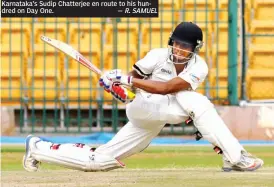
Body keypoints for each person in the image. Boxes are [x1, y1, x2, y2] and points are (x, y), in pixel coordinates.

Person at [23, 22, 263, 173]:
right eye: (177, 45)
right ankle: (235, 157)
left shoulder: (199, 66)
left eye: (186, 47)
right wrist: (116, 86)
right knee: (197, 103)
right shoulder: (157, 55)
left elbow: (168, 87)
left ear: (194, 49)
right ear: (171, 43)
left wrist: (128, 82)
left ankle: (38, 148)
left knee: (99, 161)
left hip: (156, 116)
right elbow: (133, 79)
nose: (180, 50)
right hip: (142, 107)